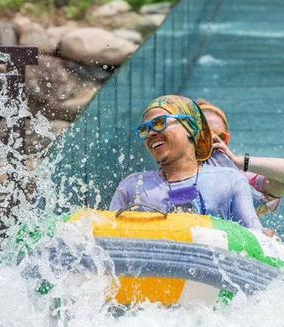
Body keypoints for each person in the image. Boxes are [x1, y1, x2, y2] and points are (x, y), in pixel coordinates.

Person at [109, 95, 263, 231]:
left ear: (190, 128)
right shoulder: (133, 187)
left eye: (159, 123)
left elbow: (255, 239)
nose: (151, 133)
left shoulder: (230, 181)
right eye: (144, 130)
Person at [197, 100, 284, 217]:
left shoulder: (243, 179)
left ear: (226, 141)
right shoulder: (178, 174)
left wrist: (240, 162)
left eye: (220, 137)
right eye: (204, 136)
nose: (211, 143)